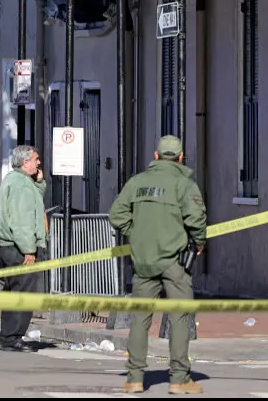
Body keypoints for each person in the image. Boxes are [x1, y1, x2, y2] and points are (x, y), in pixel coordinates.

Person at [109, 135, 207, 395]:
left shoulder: (137, 182)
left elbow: (116, 215)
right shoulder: (183, 184)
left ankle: (134, 378)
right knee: (179, 317)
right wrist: (198, 242)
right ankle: (178, 379)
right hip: (174, 261)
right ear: (181, 157)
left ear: (155, 156)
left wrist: (137, 233)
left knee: (140, 320)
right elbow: (197, 219)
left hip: (143, 260)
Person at [0, 145, 47, 352]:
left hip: (9, 246)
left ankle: (6, 337)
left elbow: (34, 200)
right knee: (24, 293)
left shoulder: (17, 180)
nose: (38, 162)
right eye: (36, 159)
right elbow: (22, 221)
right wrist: (29, 250)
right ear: (25, 162)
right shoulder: (22, 185)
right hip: (18, 247)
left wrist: (39, 182)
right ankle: (13, 337)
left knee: (12, 291)